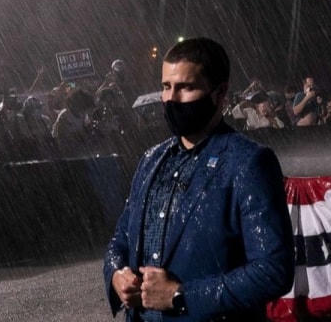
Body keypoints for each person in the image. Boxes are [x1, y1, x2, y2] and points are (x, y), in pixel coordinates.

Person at [104, 37, 293, 320]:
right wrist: (116, 274)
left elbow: (273, 270)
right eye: (166, 86)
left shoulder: (248, 163)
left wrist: (181, 296)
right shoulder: (150, 160)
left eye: (186, 87)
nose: (171, 98)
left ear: (220, 92)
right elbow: (121, 238)